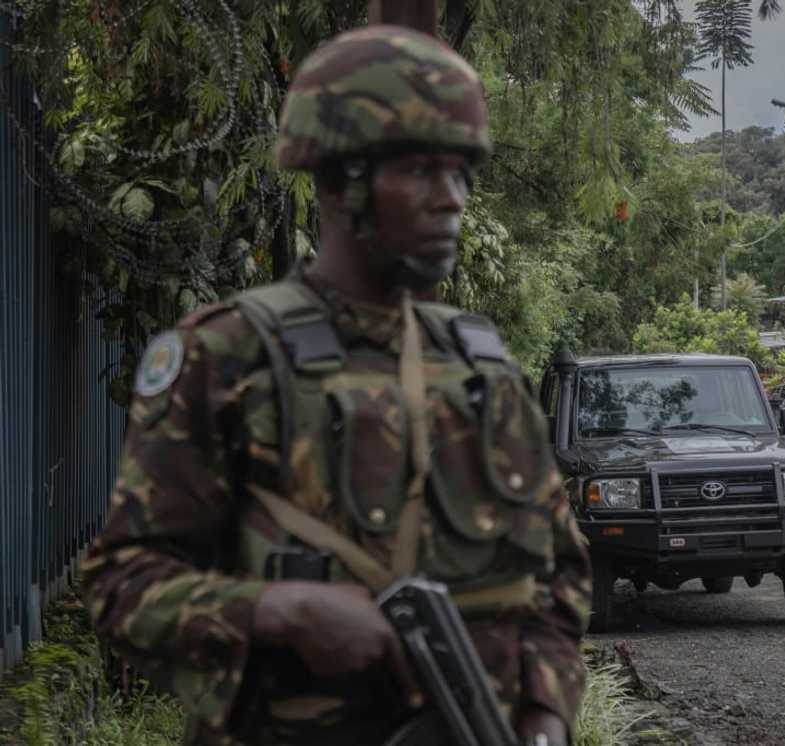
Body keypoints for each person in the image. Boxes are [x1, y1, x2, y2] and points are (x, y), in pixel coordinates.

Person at [82, 24, 591, 746]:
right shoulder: (225, 356)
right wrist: (277, 612)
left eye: (461, 174)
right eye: (421, 171)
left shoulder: (483, 366)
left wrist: (545, 716)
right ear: (338, 180)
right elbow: (121, 586)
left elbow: (558, 574)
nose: (451, 199)